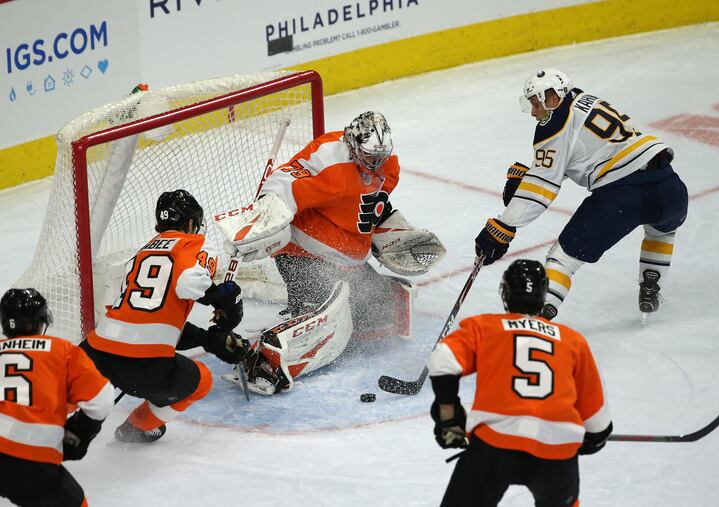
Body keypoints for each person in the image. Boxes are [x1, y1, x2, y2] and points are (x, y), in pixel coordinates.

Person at [217, 111, 446, 395]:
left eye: (380, 157)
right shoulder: (328, 160)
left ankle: (342, 311)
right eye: (369, 157)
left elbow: (368, 206)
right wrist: (265, 212)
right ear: (352, 145)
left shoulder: (388, 167)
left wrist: (388, 230)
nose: (375, 165)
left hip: (348, 260)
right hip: (303, 255)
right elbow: (283, 182)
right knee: (322, 326)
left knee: (379, 314)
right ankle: (264, 362)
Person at [475, 68, 689, 322]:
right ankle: (651, 283)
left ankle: (537, 324)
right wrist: (530, 174)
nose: (534, 112)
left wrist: (503, 227)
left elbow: (542, 188)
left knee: (562, 260)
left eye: (536, 103)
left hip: (624, 196)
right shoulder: (583, 100)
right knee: (662, 231)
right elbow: (581, 154)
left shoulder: (553, 124)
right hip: (670, 187)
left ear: (552, 97)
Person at [427, 259, 612, 507]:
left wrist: (449, 417)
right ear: (544, 294)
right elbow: (597, 418)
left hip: (494, 448)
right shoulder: (572, 341)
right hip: (556, 454)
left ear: (505, 292)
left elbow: (443, 360)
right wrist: (592, 439)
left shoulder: (486, 327)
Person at [81, 189, 249, 443]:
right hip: (145, 369)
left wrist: (208, 339)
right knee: (201, 380)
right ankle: (138, 426)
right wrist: (226, 301)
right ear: (192, 223)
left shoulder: (140, 255)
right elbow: (191, 283)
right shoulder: (195, 244)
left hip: (95, 353)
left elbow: (147, 319)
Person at [0, 288, 114, 507]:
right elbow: (102, 399)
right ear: (40, 322)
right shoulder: (61, 350)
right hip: (28, 461)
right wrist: (79, 432)